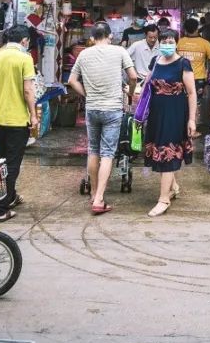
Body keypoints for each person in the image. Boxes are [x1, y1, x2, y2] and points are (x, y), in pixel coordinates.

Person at [68, 23, 136, 215]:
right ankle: (99, 199)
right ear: (110, 35)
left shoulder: (83, 54)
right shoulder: (119, 51)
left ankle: (93, 195)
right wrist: (130, 93)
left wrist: (86, 95)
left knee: (93, 150)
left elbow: (72, 81)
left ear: (92, 37)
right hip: (112, 109)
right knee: (107, 153)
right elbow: (133, 77)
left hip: (92, 109)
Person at [0, 25, 39, 222]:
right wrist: (33, 115)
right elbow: (28, 91)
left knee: (3, 160)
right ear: (24, 41)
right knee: (12, 164)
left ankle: (10, 196)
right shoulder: (25, 58)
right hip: (17, 120)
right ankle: (2, 209)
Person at [141, 30, 197, 217]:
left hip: (175, 113)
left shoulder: (183, 63)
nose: (167, 44)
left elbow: (191, 93)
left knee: (167, 152)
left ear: (176, 42)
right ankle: (172, 187)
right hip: (156, 113)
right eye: (163, 41)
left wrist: (191, 119)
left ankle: (163, 199)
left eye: (170, 41)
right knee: (159, 149)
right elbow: (147, 85)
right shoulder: (155, 61)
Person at [178, 18, 210, 95]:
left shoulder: (179, 42)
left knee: (184, 102)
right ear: (197, 28)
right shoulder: (206, 43)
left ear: (185, 29)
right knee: (197, 102)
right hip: (199, 79)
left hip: (181, 77)